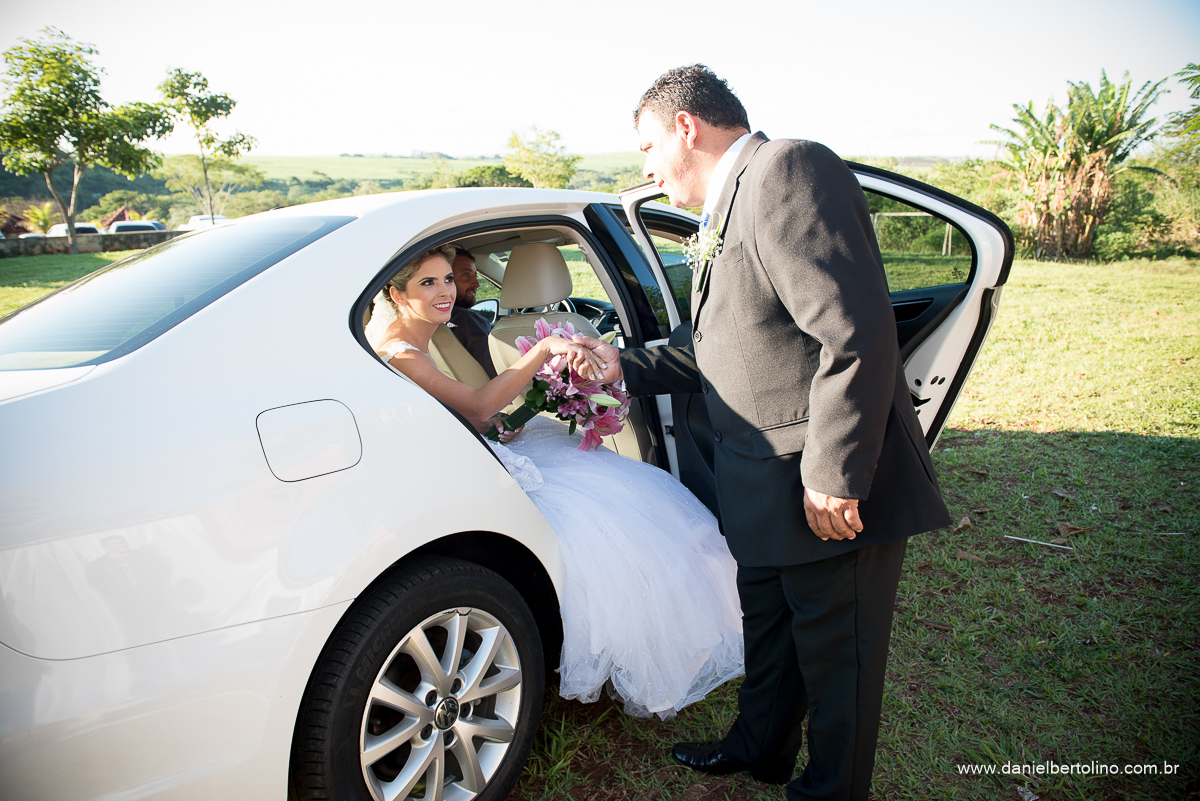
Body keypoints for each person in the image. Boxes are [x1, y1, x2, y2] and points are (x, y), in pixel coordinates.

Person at [574, 65, 951, 800]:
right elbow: (718, 345)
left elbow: (856, 334)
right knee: (771, 636)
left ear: (687, 127)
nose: (645, 167)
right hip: (757, 483)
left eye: (648, 146)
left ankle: (828, 788)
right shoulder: (723, 208)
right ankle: (760, 748)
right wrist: (615, 362)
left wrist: (833, 474)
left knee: (838, 660)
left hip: (822, 489)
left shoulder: (788, 170)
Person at [373, 244, 745, 717]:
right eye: (429, 283)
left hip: (471, 447)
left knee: (620, 497)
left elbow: (471, 416)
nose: (446, 291)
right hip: (449, 469)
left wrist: (510, 422)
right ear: (396, 293)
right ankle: (652, 647)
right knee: (611, 520)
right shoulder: (401, 352)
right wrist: (545, 350)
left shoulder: (418, 337)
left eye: (448, 278)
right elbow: (478, 405)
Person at [448, 247, 498, 379]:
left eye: (475, 275)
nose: (476, 284)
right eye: (466, 274)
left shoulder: (437, 322)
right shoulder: (466, 320)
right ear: (446, 279)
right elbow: (496, 374)